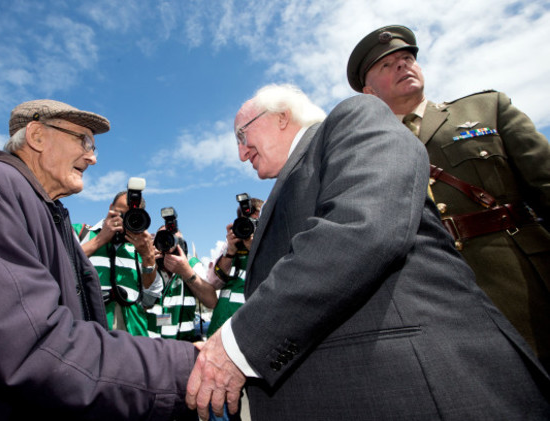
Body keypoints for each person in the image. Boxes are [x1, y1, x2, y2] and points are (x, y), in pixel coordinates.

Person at [185, 84, 550, 420]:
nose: (240, 152)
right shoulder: (290, 184)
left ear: (281, 116)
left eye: (242, 134)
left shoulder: (354, 118)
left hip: (421, 394)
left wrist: (239, 343)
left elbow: (362, 228)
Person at [0, 99, 198, 419]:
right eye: (82, 140)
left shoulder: (43, 211)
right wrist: (187, 368)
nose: (93, 157)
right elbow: (33, 348)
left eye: (94, 146)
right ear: (37, 136)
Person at [347, 25, 550, 369]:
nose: (402, 65)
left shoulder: (487, 108)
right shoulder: (363, 156)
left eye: (407, 58)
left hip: (524, 286)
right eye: (387, 64)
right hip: (438, 306)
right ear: (368, 92)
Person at [73, 191, 162, 335]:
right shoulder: (81, 232)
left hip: (133, 335)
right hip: (89, 333)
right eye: (120, 214)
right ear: (110, 208)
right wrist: (101, 239)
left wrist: (148, 258)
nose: (123, 222)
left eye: (130, 217)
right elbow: (62, 263)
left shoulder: (141, 247)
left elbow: (149, 296)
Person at [205, 197, 264, 338]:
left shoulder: (274, 244)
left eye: (256, 222)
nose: (250, 227)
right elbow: (213, 282)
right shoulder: (231, 247)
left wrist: (255, 249)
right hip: (220, 327)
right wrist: (230, 252)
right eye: (246, 222)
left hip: (249, 330)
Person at [147, 226, 212, 341]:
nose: (168, 246)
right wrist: (149, 265)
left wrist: (186, 271)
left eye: (173, 240)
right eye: (163, 240)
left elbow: (211, 300)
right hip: (152, 346)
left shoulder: (192, 264)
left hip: (183, 345)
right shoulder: (149, 265)